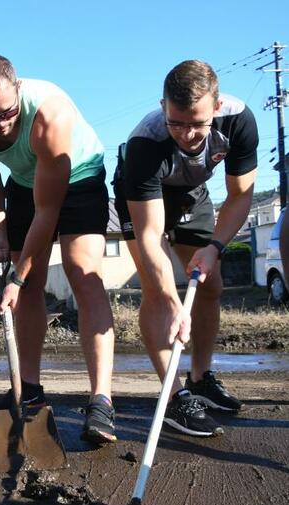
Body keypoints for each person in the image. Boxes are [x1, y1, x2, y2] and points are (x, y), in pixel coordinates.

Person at [0, 54, 117, 445]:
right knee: (27, 289)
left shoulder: (50, 114)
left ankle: (101, 401)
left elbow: (49, 211)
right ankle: (28, 389)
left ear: (19, 91)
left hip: (77, 176)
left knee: (82, 273)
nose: (1, 123)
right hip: (25, 184)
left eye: (7, 112)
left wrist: (16, 275)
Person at [114, 60, 258, 437]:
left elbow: (241, 195)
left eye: (197, 124)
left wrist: (215, 246)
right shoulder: (145, 143)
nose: (188, 134)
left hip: (192, 193)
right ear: (163, 107)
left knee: (211, 285)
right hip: (144, 195)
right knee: (155, 290)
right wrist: (172, 300)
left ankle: (199, 378)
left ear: (216, 107)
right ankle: (175, 395)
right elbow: (150, 237)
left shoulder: (239, 122)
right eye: (177, 123)